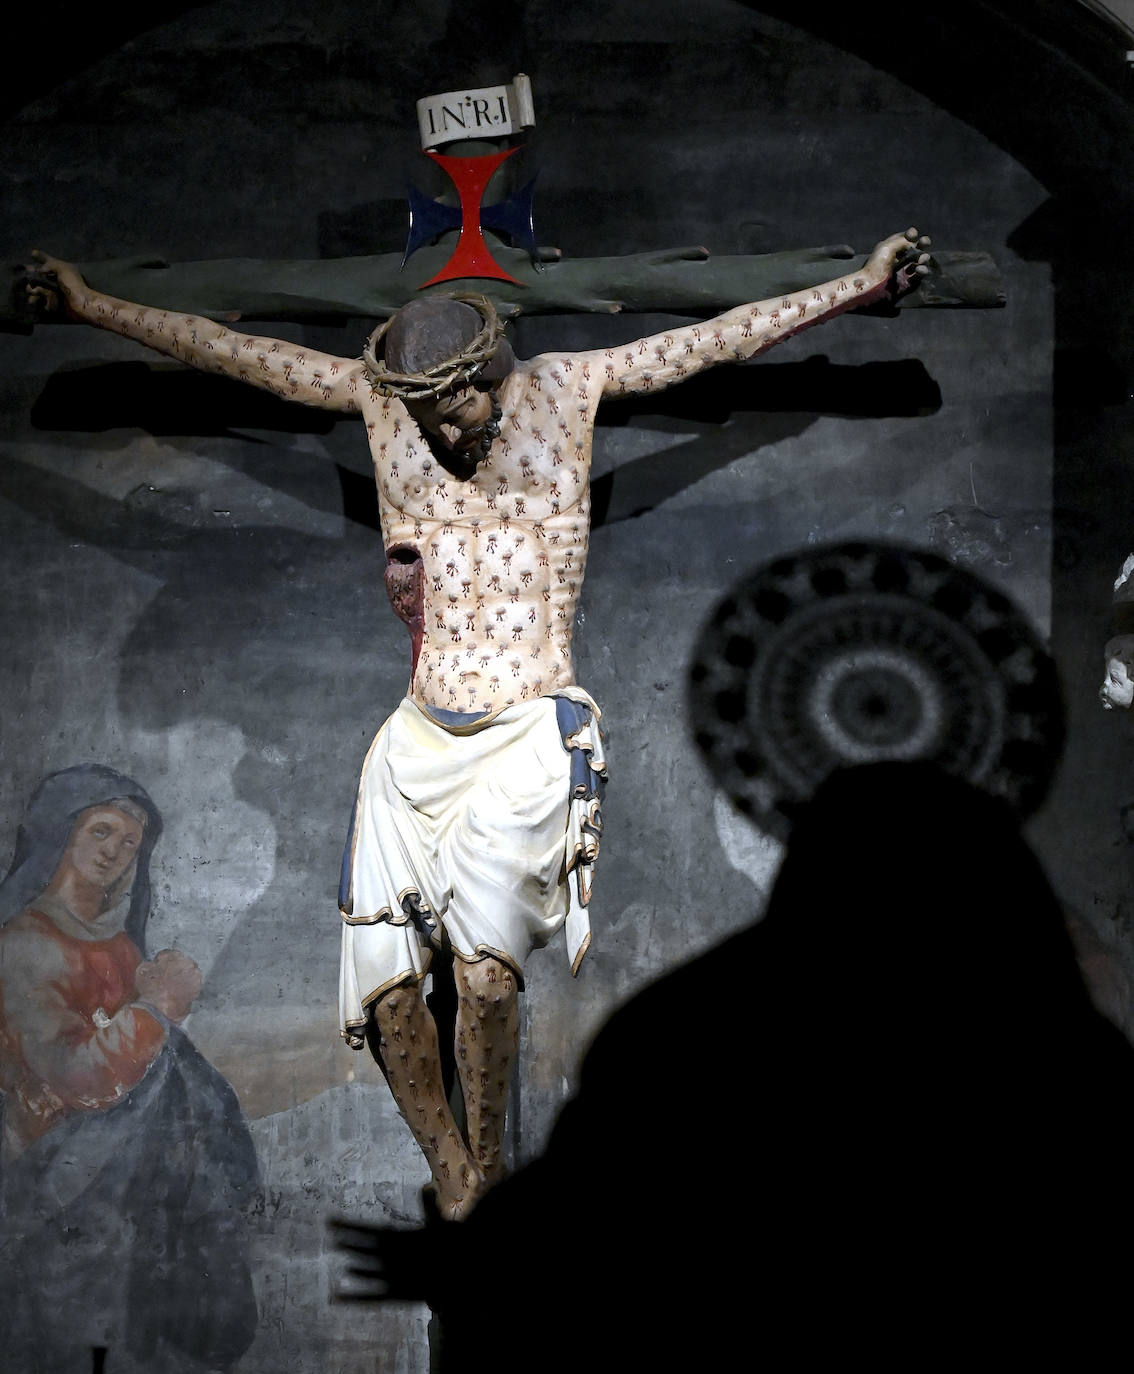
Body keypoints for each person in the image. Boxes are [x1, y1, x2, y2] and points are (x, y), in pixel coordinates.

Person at [26, 229, 931, 1217]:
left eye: (457, 403)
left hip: (530, 723)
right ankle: (457, 1174)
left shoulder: (569, 391)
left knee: (490, 980)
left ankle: (485, 1160)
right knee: (386, 994)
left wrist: (861, 285)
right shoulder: (389, 410)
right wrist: (87, 304)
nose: (445, 430)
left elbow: (715, 342)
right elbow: (240, 354)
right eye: (425, 412)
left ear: (494, 364)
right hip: (416, 738)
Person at [0, 764, 260, 1372]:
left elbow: (146, 1061)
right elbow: (75, 1075)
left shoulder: (120, 947)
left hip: (128, 1193)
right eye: (101, 831)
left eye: (129, 843)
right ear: (61, 835)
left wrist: (158, 1021)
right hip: (57, 1190)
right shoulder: (25, 946)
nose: (115, 852)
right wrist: (157, 1011)